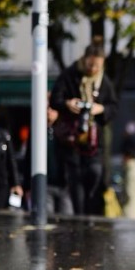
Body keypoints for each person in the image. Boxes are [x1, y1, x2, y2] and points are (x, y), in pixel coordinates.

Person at [50, 37, 118, 215]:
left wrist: (100, 108)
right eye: (90, 65)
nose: (93, 69)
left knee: (95, 173)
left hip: (95, 141)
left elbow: (113, 107)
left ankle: (91, 212)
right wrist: (67, 103)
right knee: (76, 180)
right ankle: (80, 218)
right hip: (72, 139)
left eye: (97, 66)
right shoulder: (69, 75)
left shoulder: (104, 81)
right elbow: (55, 99)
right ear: (84, 59)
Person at [21, 95, 73, 215]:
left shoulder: (66, 129)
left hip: (65, 185)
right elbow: (28, 158)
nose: (49, 111)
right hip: (44, 184)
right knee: (47, 219)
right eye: (46, 108)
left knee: (67, 220)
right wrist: (27, 186)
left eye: (52, 107)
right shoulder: (36, 131)